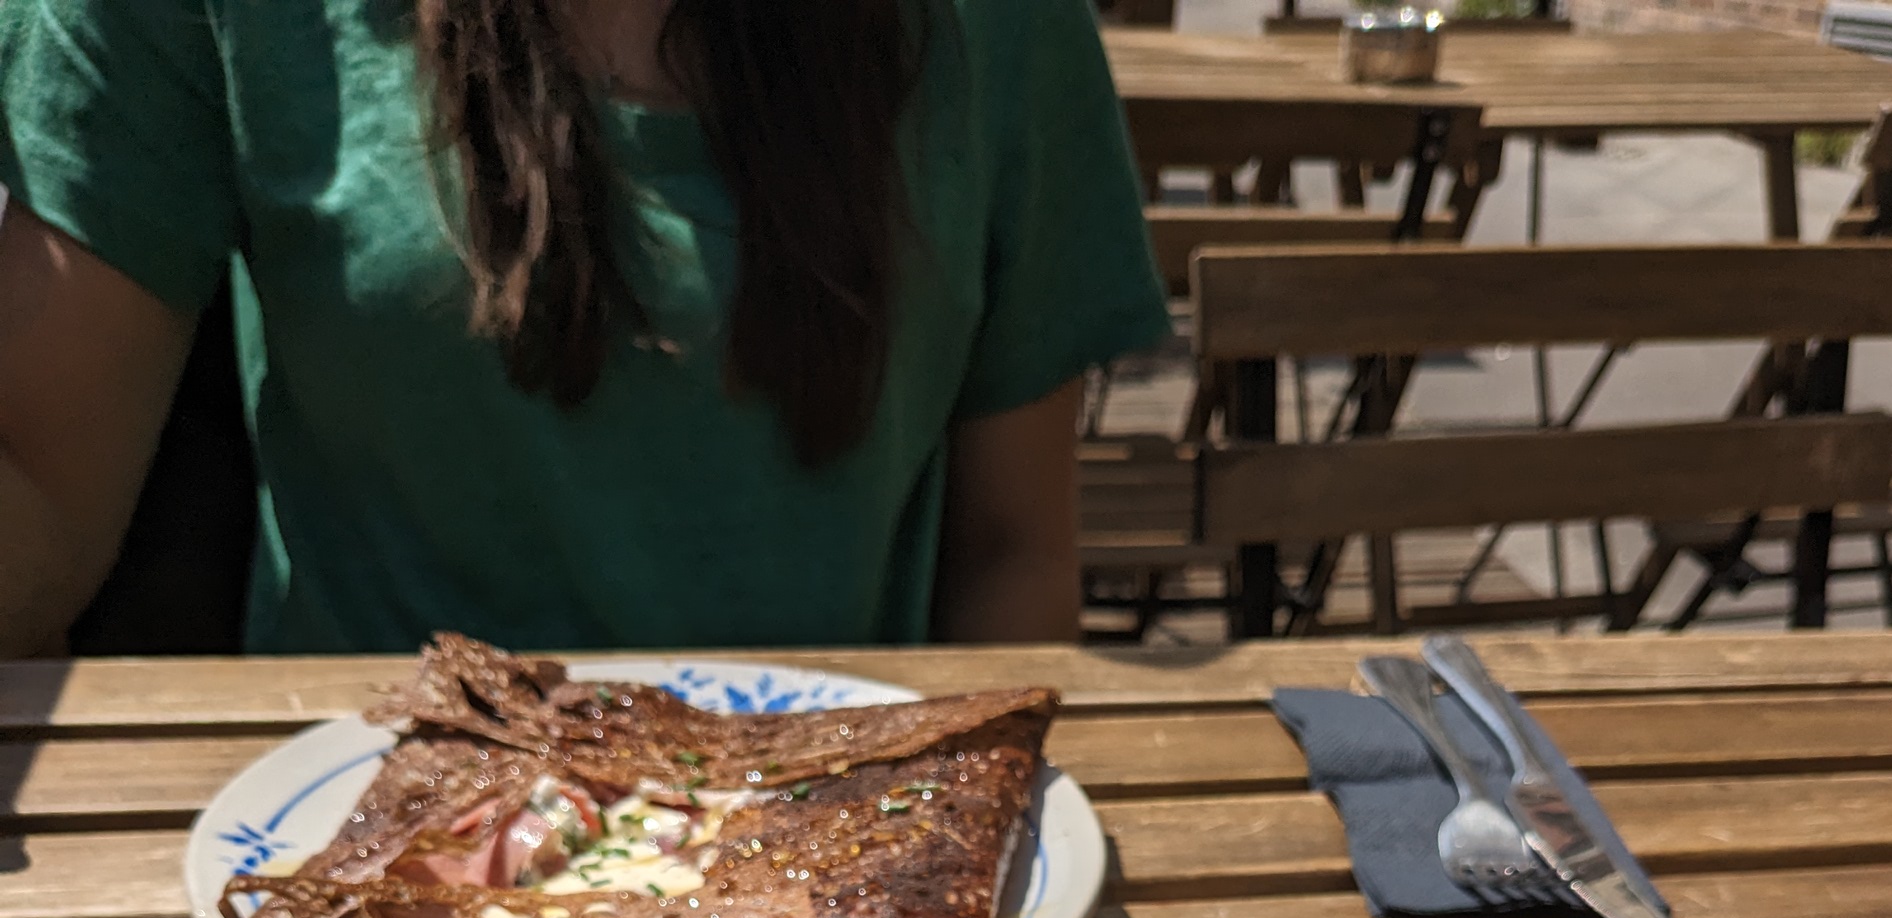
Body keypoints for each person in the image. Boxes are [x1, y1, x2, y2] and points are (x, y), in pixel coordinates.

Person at [0, 0, 1168, 657]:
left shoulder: (999, 29)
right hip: (365, 866)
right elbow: (40, 498)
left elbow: (1011, 550)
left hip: (838, 879)